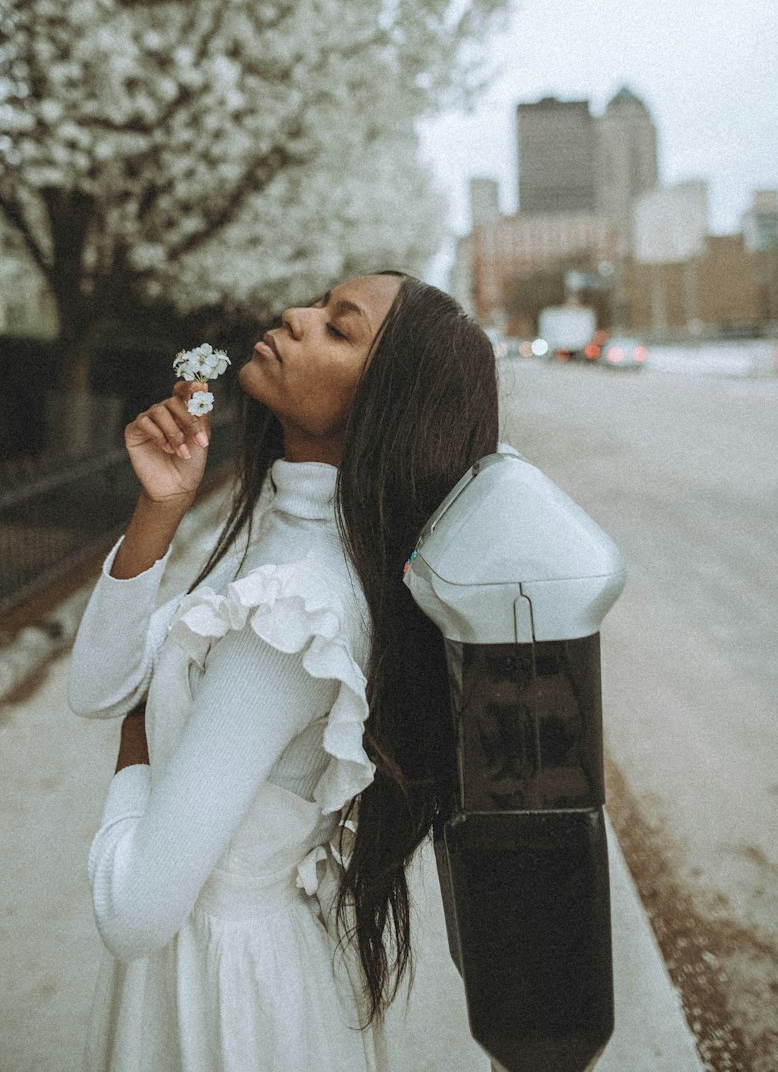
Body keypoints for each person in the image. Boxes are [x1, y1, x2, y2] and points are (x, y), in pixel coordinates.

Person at [68, 269, 498, 1071]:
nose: (295, 319)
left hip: (223, 1000)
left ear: (386, 407)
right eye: (318, 305)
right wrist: (158, 511)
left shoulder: (293, 612)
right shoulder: (291, 537)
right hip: (236, 968)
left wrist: (138, 751)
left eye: (339, 329)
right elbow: (95, 688)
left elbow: (133, 911)